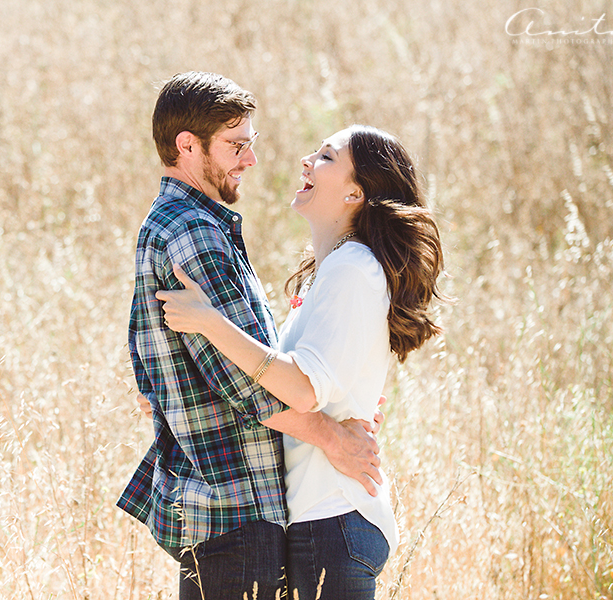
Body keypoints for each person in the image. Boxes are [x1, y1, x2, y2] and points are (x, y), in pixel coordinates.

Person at [116, 72, 384, 600]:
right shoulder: (192, 231)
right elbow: (243, 377)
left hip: (221, 507)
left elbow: (168, 364)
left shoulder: (178, 224)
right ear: (187, 146)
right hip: (234, 504)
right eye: (236, 146)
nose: (251, 159)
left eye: (250, 143)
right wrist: (333, 437)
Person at [156, 124, 447, 599]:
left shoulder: (353, 268)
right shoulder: (333, 272)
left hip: (332, 517)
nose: (307, 161)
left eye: (327, 157)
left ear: (355, 192)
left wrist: (209, 322)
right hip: (319, 519)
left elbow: (304, 389)